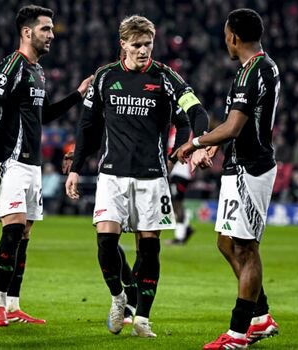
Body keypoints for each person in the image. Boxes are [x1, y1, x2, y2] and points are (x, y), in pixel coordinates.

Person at [65, 15, 209, 338]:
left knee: (149, 250)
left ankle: (142, 318)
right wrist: (75, 168)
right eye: (137, 45)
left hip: (151, 177)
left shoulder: (165, 77)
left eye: (148, 44)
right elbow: (87, 127)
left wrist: (196, 143)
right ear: (123, 45)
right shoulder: (104, 77)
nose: (144, 50)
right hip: (111, 175)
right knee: (105, 242)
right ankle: (119, 297)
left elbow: (196, 111)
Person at [0, 5, 93, 327]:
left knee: (24, 236)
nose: (52, 35)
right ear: (27, 32)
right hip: (8, 161)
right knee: (12, 230)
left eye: (51, 30)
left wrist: (78, 94)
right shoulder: (12, 66)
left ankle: (13, 305)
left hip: (33, 165)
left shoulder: (38, 71)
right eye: (46, 29)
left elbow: (43, 115)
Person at [174, 9, 280, 349]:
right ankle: (260, 316)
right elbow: (238, 124)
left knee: (245, 248)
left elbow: (234, 126)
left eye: (225, 35)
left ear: (233, 36)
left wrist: (195, 143)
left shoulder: (254, 72)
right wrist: (212, 149)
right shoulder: (260, 67)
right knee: (224, 241)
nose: (225, 41)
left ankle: (237, 335)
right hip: (238, 164)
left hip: (252, 168)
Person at [166, 126, 196, 245]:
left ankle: (180, 237)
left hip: (180, 171)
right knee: (175, 202)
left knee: (177, 203)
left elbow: (177, 149)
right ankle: (186, 228)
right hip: (177, 171)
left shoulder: (183, 128)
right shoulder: (175, 128)